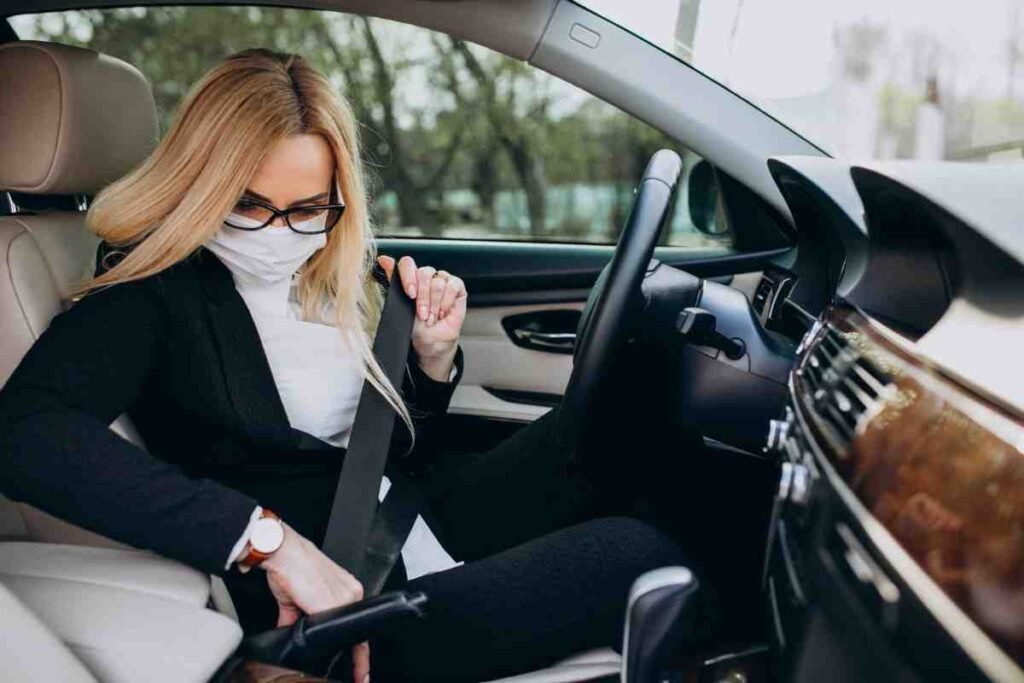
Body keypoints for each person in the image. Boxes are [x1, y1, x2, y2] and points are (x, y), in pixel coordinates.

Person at [0, 48, 685, 682]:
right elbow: (25, 432)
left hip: (399, 514)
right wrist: (264, 540)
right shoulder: (152, 289)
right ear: (201, 182)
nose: (277, 233)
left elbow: (374, 446)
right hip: (330, 602)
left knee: (629, 432)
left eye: (306, 208)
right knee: (636, 554)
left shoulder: (327, 264)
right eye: (247, 204)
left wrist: (431, 357)